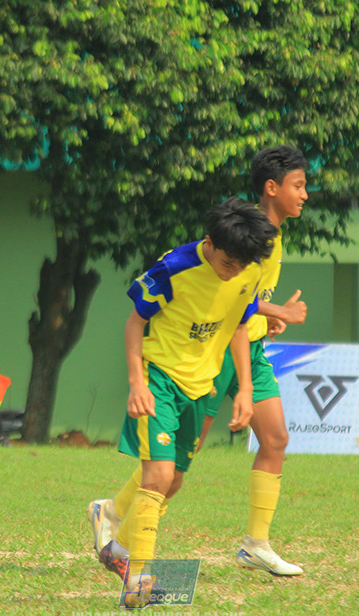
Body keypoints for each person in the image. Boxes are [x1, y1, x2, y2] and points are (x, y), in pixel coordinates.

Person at [90, 146, 310, 578]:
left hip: (227, 360)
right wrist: (137, 381)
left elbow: (241, 317)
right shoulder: (189, 261)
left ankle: (250, 543)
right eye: (299, 185)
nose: (305, 195)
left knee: (258, 445)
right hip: (178, 370)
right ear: (272, 187)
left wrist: (247, 384)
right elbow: (138, 320)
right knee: (163, 475)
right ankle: (133, 562)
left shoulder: (252, 254)